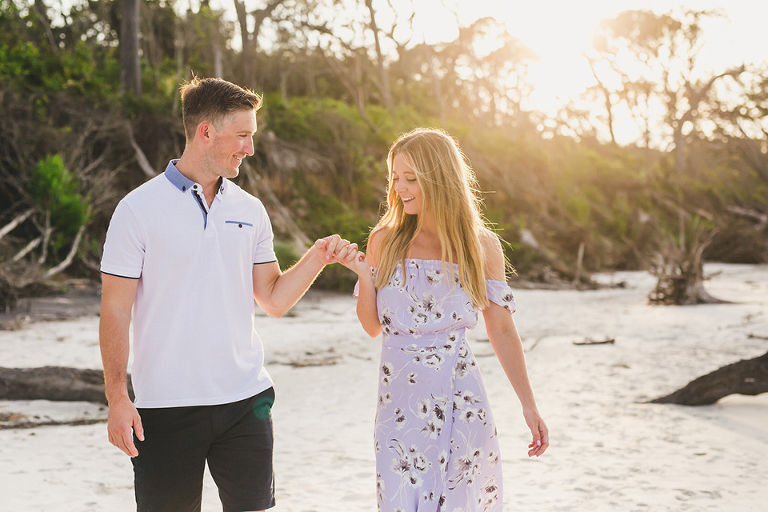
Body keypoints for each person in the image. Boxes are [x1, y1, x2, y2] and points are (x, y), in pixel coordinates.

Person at [99, 77, 356, 512]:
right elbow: (115, 309)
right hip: (165, 407)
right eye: (243, 135)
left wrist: (316, 258)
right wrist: (117, 398)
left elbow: (272, 299)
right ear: (206, 132)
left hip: (245, 403)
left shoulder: (250, 210)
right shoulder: (137, 209)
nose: (250, 148)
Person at [343, 128, 549, 511]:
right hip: (400, 404)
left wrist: (529, 405)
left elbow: (501, 328)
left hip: (461, 396)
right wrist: (361, 275)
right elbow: (373, 326)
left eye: (411, 179)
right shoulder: (384, 240)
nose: (400, 189)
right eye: (395, 178)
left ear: (438, 179)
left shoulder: (480, 245)